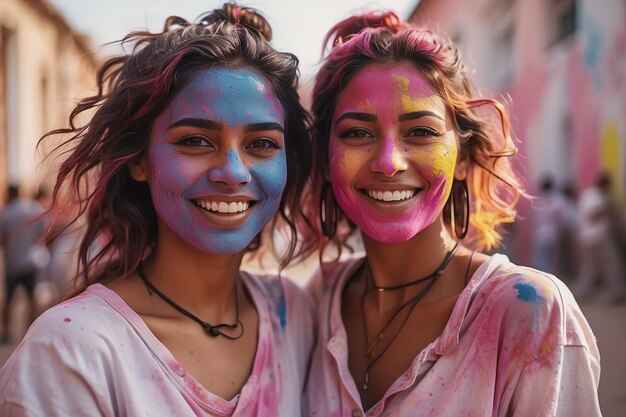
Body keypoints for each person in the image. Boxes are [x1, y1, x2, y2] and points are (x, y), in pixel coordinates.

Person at [0, 3, 315, 416]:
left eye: (262, 144)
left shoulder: (296, 315)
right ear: (139, 160)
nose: (233, 173)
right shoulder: (71, 353)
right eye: (196, 141)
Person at [303, 11, 601, 416]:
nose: (388, 162)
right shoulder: (317, 302)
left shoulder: (531, 315)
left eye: (421, 132)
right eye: (357, 132)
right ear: (324, 159)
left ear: (461, 157)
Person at [0, 185, 49, 344]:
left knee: (8, 299)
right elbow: (42, 230)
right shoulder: (33, 208)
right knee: (31, 297)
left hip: (13, 263)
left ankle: (7, 333)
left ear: (9, 194)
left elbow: (2, 239)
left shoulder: (6, 213)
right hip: (31, 261)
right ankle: (30, 330)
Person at [573, 171, 626, 302]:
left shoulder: (593, 195)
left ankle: (582, 293)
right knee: (612, 264)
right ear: (604, 184)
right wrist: (610, 210)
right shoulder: (593, 195)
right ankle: (617, 292)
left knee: (590, 268)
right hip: (597, 237)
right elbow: (593, 216)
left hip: (588, 237)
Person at [531, 176, 567, 274]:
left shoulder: (538, 202)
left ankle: (544, 280)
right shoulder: (558, 201)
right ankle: (547, 279)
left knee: (540, 261)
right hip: (553, 235)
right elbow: (563, 219)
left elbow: (535, 220)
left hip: (540, 235)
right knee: (547, 260)